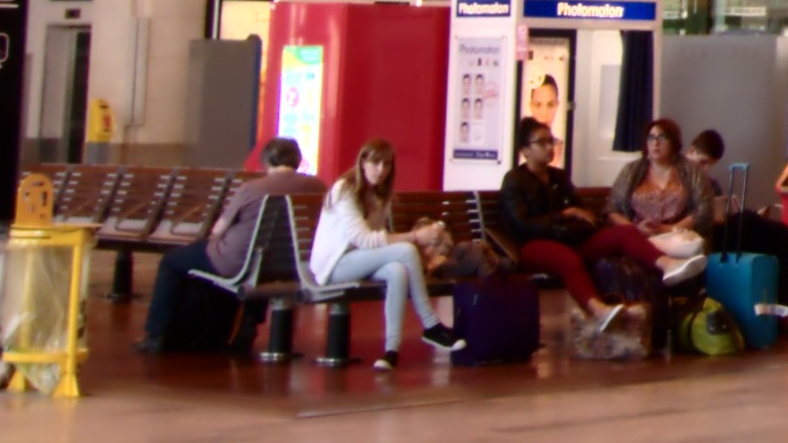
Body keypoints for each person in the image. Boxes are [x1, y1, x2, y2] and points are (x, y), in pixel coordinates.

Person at [143, 137, 319, 351]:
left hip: (238, 262)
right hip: (293, 264)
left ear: (266, 161)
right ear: (297, 160)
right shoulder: (318, 186)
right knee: (264, 261)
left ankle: (157, 334)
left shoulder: (252, 188)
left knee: (171, 261)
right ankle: (249, 322)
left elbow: (219, 229)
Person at [310, 139, 464, 364]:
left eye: (387, 164)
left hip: (361, 259)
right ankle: (431, 324)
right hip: (334, 264)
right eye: (375, 163)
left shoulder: (380, 194)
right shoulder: (344, 189)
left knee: (397, 270)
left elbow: (376, 238)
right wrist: (415, 236)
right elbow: (364, 239)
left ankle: (391, 350)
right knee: (406, 250)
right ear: (363, 162)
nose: (381, 170)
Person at [488, 118, 656, 307]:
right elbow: (522, 225)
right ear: (525, 150)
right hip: (532, 245)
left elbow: (582, 211)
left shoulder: (558, 176)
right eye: (541, 142)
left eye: (551, 141)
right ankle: (598, 310)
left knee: (626, 233)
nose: (549, 147)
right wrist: (563, 215)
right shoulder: (515, 180)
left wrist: (586, 221)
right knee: (569, 260)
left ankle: (668, 266)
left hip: (568, 238)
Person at [687, 129, 788, 304]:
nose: (705, 169)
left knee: (778, 239)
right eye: (702, 162)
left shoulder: (710, 183)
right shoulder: (681, 178)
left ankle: (780, 307)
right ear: (691, 151)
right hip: (703, 233)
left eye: (709, 165)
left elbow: (719, 215)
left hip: (718, 229)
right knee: (747, 220)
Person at [608, 118, 712, 278]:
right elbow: (612, 210)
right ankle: (663, 260)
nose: (655, 143)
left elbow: (703, 209)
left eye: (662, 137)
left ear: (674, 142)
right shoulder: (631, 171)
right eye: (651, 138)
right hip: (639, 235)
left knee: (694, 246)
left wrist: (671, 228)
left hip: (676, 235)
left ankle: (662, 257)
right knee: (633, 243)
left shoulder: (691, 170)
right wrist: (635, 229)